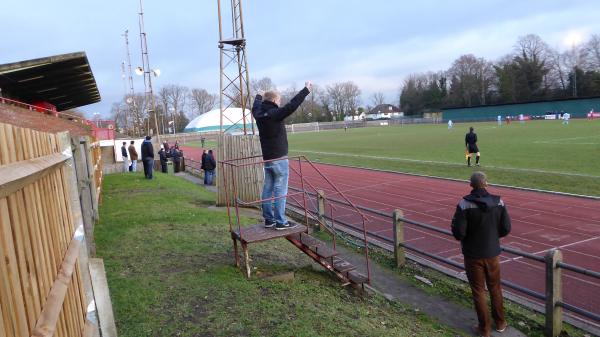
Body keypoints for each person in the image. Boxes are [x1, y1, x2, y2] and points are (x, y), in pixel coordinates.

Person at [451, 172, 511, 337]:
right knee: (495, 288)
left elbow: (459, 233)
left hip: (472, 254)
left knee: (478, 291)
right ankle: (500, 322)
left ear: (471, 185)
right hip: (492, 253)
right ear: (486, 184)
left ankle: (484, 329)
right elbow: (506, 228)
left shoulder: (464, 204)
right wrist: (492, 237)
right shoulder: (499, 202)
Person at [252, 81, 312, 230]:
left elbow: (255, 106)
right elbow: (292, 105)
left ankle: (268, 219)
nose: (280, 103)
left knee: (268, 188)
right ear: (273, 101)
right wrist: (306, 90)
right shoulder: (275, 114)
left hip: (267, 157)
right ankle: (280, 221)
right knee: (280, 189)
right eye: (278, 100)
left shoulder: (259, 114)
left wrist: (258, 95)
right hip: (279, 157)